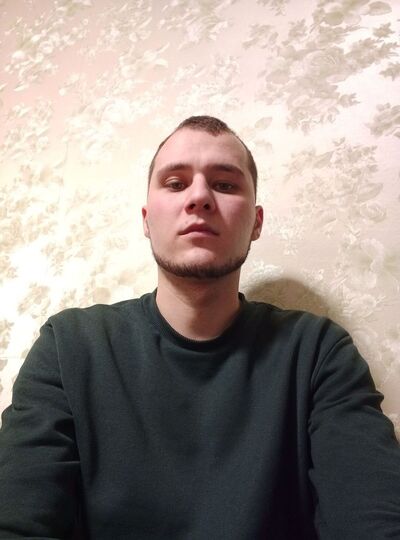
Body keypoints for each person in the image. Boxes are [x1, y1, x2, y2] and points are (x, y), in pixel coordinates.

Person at [0, 116, 399, 539]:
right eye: (175, 183)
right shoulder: (69, 348)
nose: (199, 197)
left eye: (224, 184)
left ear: (257, 222)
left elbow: (374, 522)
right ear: (146, 219)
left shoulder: (318, 352)